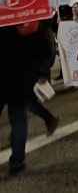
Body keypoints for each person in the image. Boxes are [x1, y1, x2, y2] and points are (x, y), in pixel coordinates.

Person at [0, 21, 55, 175]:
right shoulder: (33, 26)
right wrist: (42, 72)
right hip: (22, 81)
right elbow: (47, 52)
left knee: (19, 120)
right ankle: (17, 162)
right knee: (18, 121)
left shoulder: (3, 23)